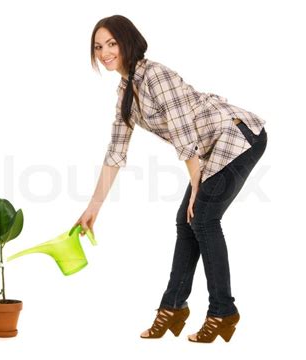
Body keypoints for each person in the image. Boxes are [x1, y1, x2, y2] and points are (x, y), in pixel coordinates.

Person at [72, 15, 268, 343]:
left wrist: (196, 187)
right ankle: (174, 307)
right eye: (98, 47)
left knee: (203, 218)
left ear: (127, 42)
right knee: (187, 220)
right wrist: (94, 207)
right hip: (211, 148)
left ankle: (223, 311)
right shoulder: (125, 92)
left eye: (111, 43)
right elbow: (116, 152)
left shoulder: (154, 75)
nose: (104, 52)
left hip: (238, 137)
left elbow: (184, 134)